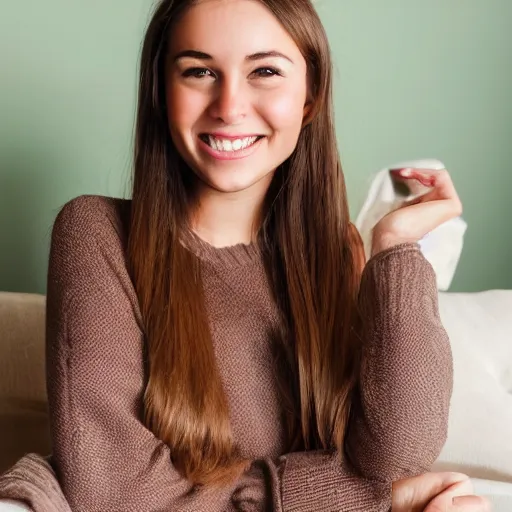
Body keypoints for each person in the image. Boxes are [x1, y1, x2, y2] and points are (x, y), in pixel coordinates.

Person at [0, 0, 491, 510]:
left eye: (264, 71)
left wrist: (395, 249)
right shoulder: (98, 235)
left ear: (310, 97)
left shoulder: (338, 253)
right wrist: (368, 497)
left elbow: (401, 455)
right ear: (162, 92)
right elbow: (119, 492)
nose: (229, 106)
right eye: (200, 71)